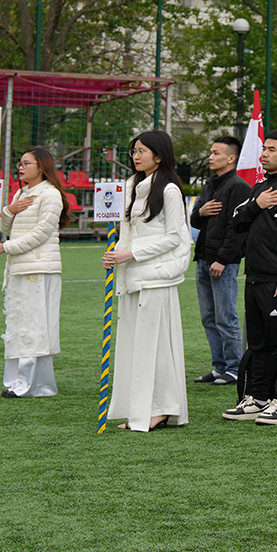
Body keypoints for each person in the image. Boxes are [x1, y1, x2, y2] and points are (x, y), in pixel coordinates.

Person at [106, 131, 192, 431]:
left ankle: (161, 408)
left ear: (159, 155)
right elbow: (129, 231)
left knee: (155, 345)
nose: (136, 156)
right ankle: (139, 407)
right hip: (132, 275)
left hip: (155, 276)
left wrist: (131, 254)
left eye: (142, 151)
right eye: (134, 151)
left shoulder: (169, 190)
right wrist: (117, 253)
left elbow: (174, 238)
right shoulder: (132, 186)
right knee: (134, 344)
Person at [224, 129, 277, 426]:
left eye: (271, 149)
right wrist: (256, 204)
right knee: (258, 341)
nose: (264, 153)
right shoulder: (259, 186)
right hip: (254, 276)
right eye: (263, 148)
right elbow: (235, 222)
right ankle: (258, 397)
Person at [0, 147, 69, 398]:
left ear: (42, 167)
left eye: (26, 163)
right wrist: (8, 211)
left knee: (35, 326)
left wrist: (6, 247)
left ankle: (32, 384)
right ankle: (16, 382)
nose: (20, 167)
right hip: (18, 268)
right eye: (19, 163)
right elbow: (6, 227)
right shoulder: (20, 193)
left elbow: (41, 233)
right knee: (18, 323)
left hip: (39, 267)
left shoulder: (51, 194)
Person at [191, 136, 250, 385]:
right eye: (211, 152)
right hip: (203, 258)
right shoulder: (209, 184)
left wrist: (223, 259)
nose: (211, 157)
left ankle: (235, 368)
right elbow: (195, 220)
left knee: (226, 316)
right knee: (208, 316)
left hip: (222, 263)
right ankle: (219, 366)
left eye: (216, 153)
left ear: (231, 158)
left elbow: (238, 228)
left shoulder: (238, 187)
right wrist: (201, 212)